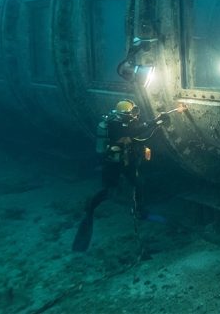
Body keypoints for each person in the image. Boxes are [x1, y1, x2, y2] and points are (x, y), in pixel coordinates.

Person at [72, 99, 168, 252]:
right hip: (113, 165)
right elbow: (134, 131)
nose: (134, 116)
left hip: (125, 162)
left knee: (138, 184)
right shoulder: (115, 126)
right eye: (131, 113)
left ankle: (141, 212)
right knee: (109, 190)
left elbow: (135, 132)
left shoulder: (123, 123)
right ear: (124, 115)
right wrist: (155, 121)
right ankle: (90, 209)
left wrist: (156, 123)